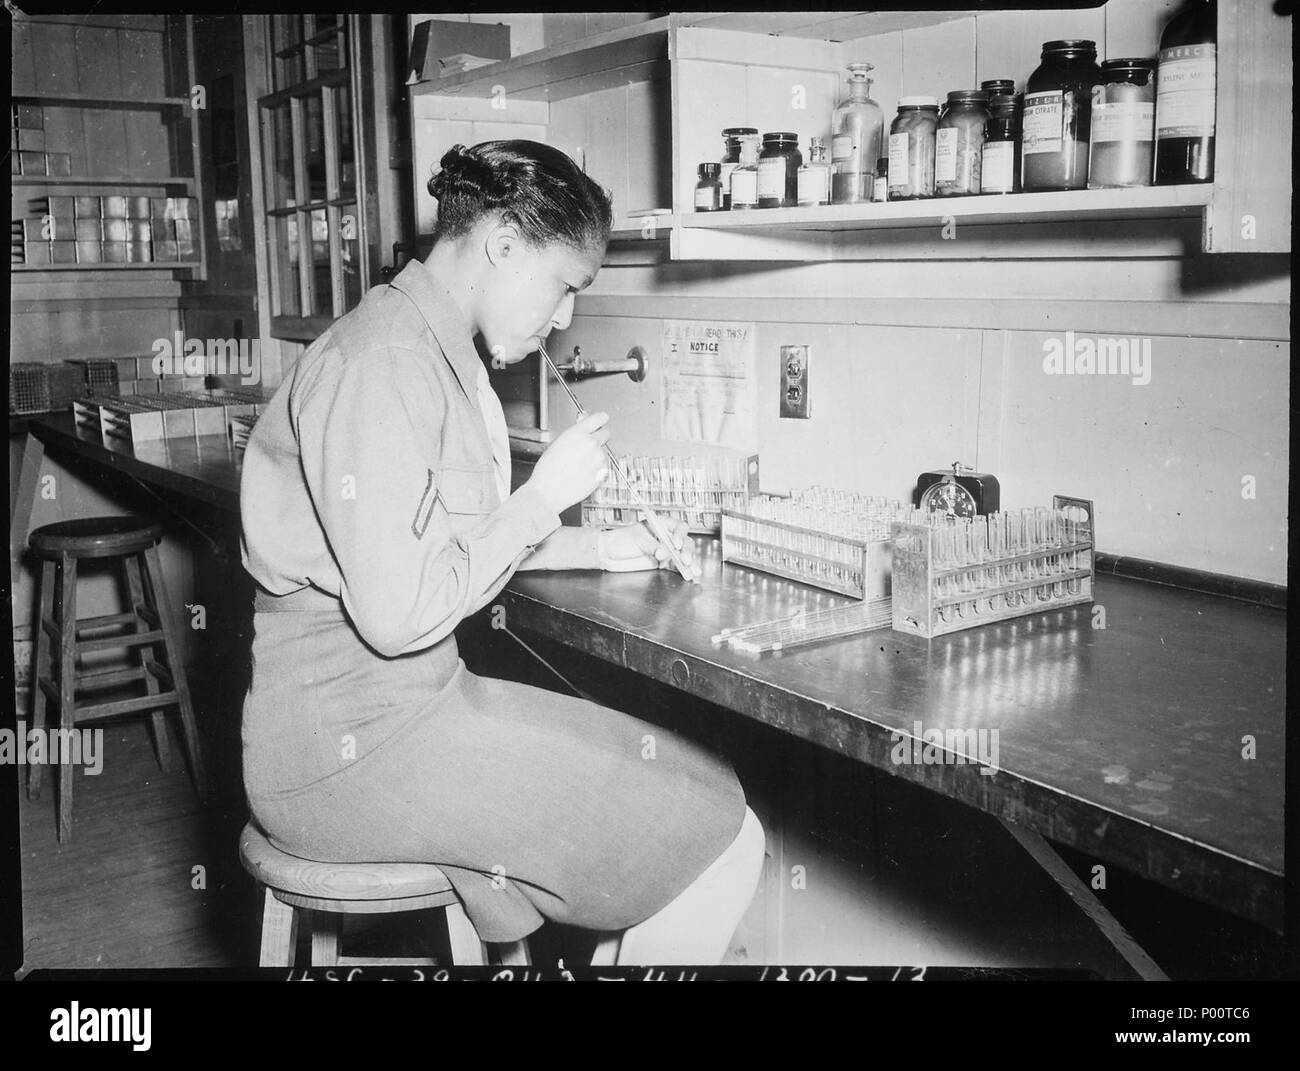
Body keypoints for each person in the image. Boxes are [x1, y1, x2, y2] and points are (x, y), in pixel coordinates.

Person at [239, 140, 765, 965]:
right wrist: (540, 497)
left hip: (411, 712)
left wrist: (602, 545)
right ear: (504, 246)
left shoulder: (431, 348)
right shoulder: (383, 361)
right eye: (563, 287)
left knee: (708, 787)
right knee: (722, 835)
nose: (563, 318)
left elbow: (443, 548)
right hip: (347, 754)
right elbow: (401, 609)